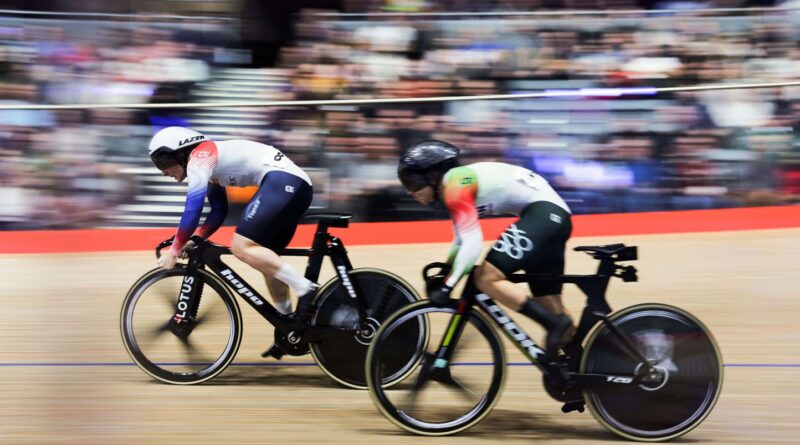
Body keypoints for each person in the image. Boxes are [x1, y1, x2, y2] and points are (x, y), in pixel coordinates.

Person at [398, 140, 575, 358]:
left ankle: (553, 325)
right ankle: (587, 365)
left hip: (544, 214)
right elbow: (461, 241)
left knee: (486, 277)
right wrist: (446, 273)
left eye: (412, 182)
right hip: (551, 217)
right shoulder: (455, 185)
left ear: (433, 176)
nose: (410, 191)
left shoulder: (455, 184)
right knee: (551, 306)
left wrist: (448, 286)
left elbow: (473, 245)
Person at [148, 126, 318, 320]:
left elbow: (192, 210)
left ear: (181, 152)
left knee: (241, 247)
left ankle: (306, 288)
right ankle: (289, 324)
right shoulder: (208, 166)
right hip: (292, 186)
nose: (162, 171)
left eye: (163, 162)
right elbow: (219, 212)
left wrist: (174, 250)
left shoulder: (200, 157)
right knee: (266, 262)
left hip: (284, 183)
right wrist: (194, 239)